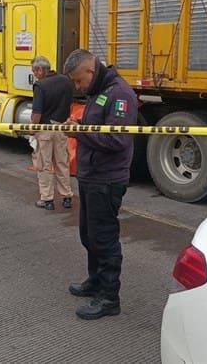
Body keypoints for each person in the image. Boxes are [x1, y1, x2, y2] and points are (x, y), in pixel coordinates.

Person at [62, 49, 138, 320]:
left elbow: (118, 140)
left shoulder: (120, 94)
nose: (78, 87)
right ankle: (95, 281)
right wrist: (80, 123)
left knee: (104, 239)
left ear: (91, 72)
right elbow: (99, 126)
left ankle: (109, 298)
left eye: (79, 81)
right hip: (91, 176)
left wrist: (80, 133)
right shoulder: (99, 91)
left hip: (106, 179)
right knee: (89, 235)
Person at [30, 56, 74, 211]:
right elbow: (69, 105)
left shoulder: (40, 86)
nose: (34, 75)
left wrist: (32, 129)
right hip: (61, 127)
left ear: (40, 70)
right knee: (62, 162)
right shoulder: (66, 81)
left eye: (35, 71)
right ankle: (66, 196)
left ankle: (47, 199)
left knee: (44, 165)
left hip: (45, 130)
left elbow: (37, 113)